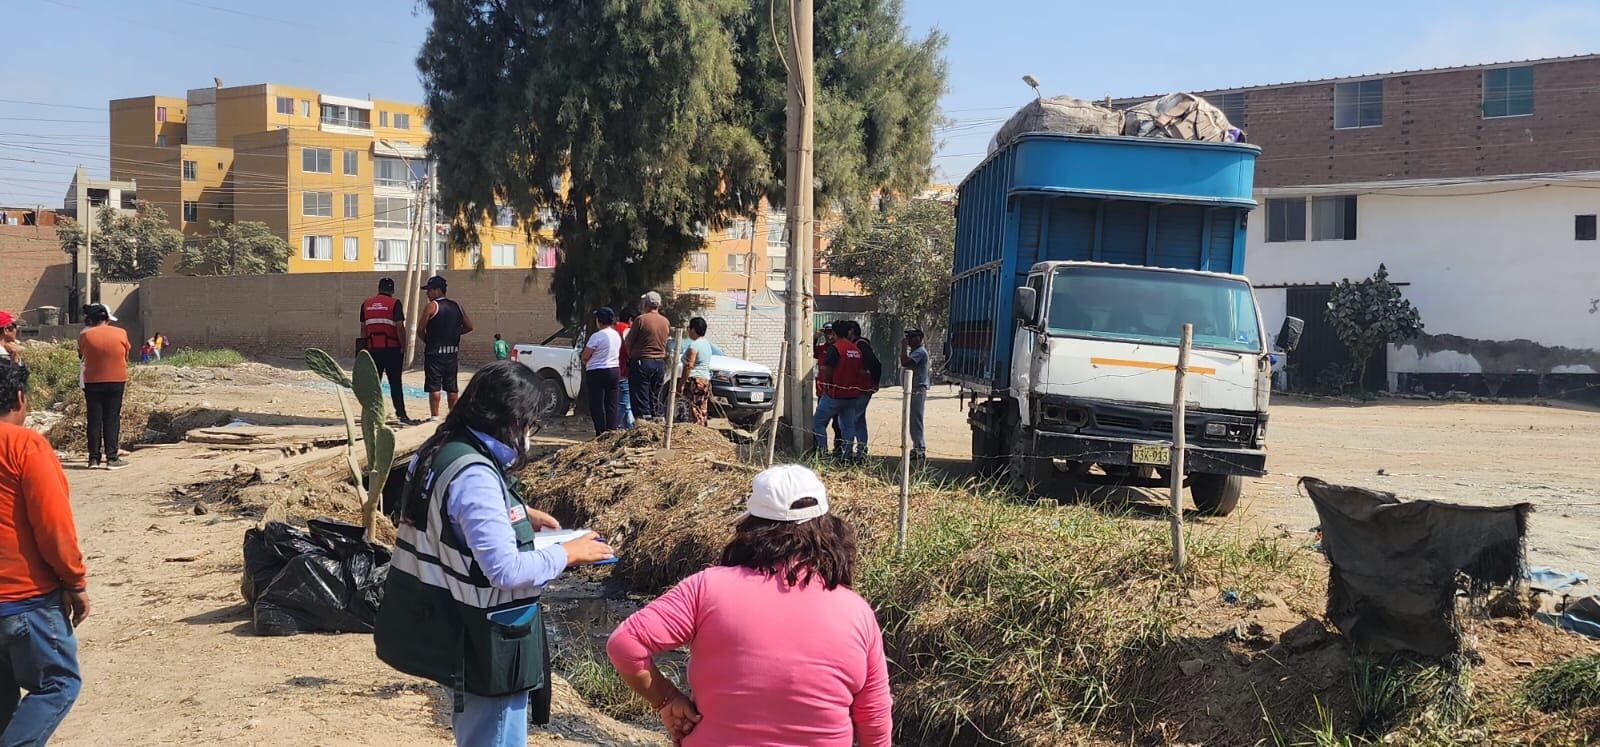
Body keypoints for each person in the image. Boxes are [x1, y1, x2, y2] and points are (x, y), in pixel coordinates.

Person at [376, 361, 615, 747]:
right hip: (487, 637)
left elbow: (448, 514)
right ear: (510, 419)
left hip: (451, 622)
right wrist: (568, 553)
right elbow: (505, 570)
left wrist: (518, 512)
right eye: (530, 424)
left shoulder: (440, 449)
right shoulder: (475, 475)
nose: (529, 434)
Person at [607, 464, 891, 746]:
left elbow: (625, 644)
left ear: (750, 529)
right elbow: (875, 718)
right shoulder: (857, 613)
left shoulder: (706, 588)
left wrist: (666, 699)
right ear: (830, 533)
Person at [0, 358, 90, 744]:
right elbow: (53, 525)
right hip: (25, 599)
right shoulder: (25, 445)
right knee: (59, 684)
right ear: (20, 398)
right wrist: (75, 581)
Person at [78, 303, 130, 470]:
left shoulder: (85, 335)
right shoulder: (121, 332)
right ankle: (112, 458)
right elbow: (126, 354)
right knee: (111, 418)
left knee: (94, 419)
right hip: (116, 380)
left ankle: (93, 459)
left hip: (92, 381)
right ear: (107, 318)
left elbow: (82, 354)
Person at [361, 278, 416, 425]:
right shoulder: (395, 303)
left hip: (372, 349)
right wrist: (403, 347)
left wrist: (364, 351)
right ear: (392, 290)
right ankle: (401, 415)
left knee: (373, 384)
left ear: (379, 288)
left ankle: (370, 415)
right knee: (395, 383)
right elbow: (400, 328)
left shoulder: (366, 304)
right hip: (392, 349)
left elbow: (363, 330)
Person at [418, 276, 474, 419]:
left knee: (434, 387)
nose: (427, 293)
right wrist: (454, 334)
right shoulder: (457, 306)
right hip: (451, 354)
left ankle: (435, 417)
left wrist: (429, 341)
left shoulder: (432, 306)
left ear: (437, 290)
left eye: (429, 290)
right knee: (451, 387)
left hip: (434, 354)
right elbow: (469, 326)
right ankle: (452, 417)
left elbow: (420, 330)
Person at [813, 321, 864, 459]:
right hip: (851, 395)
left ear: (835, 333)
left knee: (818, 422)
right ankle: (847, 456)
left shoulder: (836, 348)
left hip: (834, 394)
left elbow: (829, 370)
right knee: (848, 427)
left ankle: (823, 454)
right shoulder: (856, 349)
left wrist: (827, 386)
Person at [626, 292, 671, 422]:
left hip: (643, 360)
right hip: (659, 362)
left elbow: (628, 342)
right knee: (655, 395)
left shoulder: (641, 320)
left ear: (646, 304)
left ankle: (643, 422)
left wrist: (630, 356)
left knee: (641, 396)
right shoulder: (665, 321)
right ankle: (657, 420)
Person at [581, 307, 623, 436]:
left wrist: (585, 360)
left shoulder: (597, 336)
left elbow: (585, 355)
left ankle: (600, 431)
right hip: (614, 369)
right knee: (612, 402)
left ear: (599, 321)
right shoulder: (616, 335)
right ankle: (612, 430)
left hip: (596, 371)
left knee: (596, 403)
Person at [846, 322, 882, 462]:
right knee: (859, 420)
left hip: (863, 388)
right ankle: (861, 451)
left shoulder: (861, 345)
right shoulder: (857, 344)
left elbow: (876, 364)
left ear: (851, 331)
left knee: (852, 419)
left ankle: (853, 452)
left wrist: (875, 383)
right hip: (859, 388)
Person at [900, 329, 931, 461]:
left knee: (916, 419)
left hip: (918, 389)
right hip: (912, 390)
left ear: (919, 338)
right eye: (908, 337)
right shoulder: (914, 351)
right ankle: (916, 446)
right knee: (912, 419)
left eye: (912, 337)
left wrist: (903, 347)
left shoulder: (920, 352)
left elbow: (905, 362)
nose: (909, 340)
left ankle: (920, 448)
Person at [679, 317, 715, 426]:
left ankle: (694, 430)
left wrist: (681, 383)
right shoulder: (707, 344)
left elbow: (689, 366)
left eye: (689, 328)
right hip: (705, 380)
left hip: (695, 381)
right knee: (702, 410)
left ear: (693, 329)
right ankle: (701, 429)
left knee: (693, 410)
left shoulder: (694, 346)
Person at [814, 323, 843, 455]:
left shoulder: (838, 349)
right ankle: (820, 450)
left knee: (837, 424)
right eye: (827, 333)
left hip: (835, 393)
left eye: (832, 333)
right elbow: (811, 351)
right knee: (820, 423)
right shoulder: (822, 349)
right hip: (822, 392)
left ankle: (839, 449)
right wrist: (815, 337)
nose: (829, 336)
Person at [613, 311, 635, 429]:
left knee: (622, 403)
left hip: (612, 370)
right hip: (624, 371)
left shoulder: (612, 329)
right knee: (625, 403)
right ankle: (618, 427)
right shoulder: (626, 330)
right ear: (630, 320)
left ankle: (628, 427)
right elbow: (629, 351)